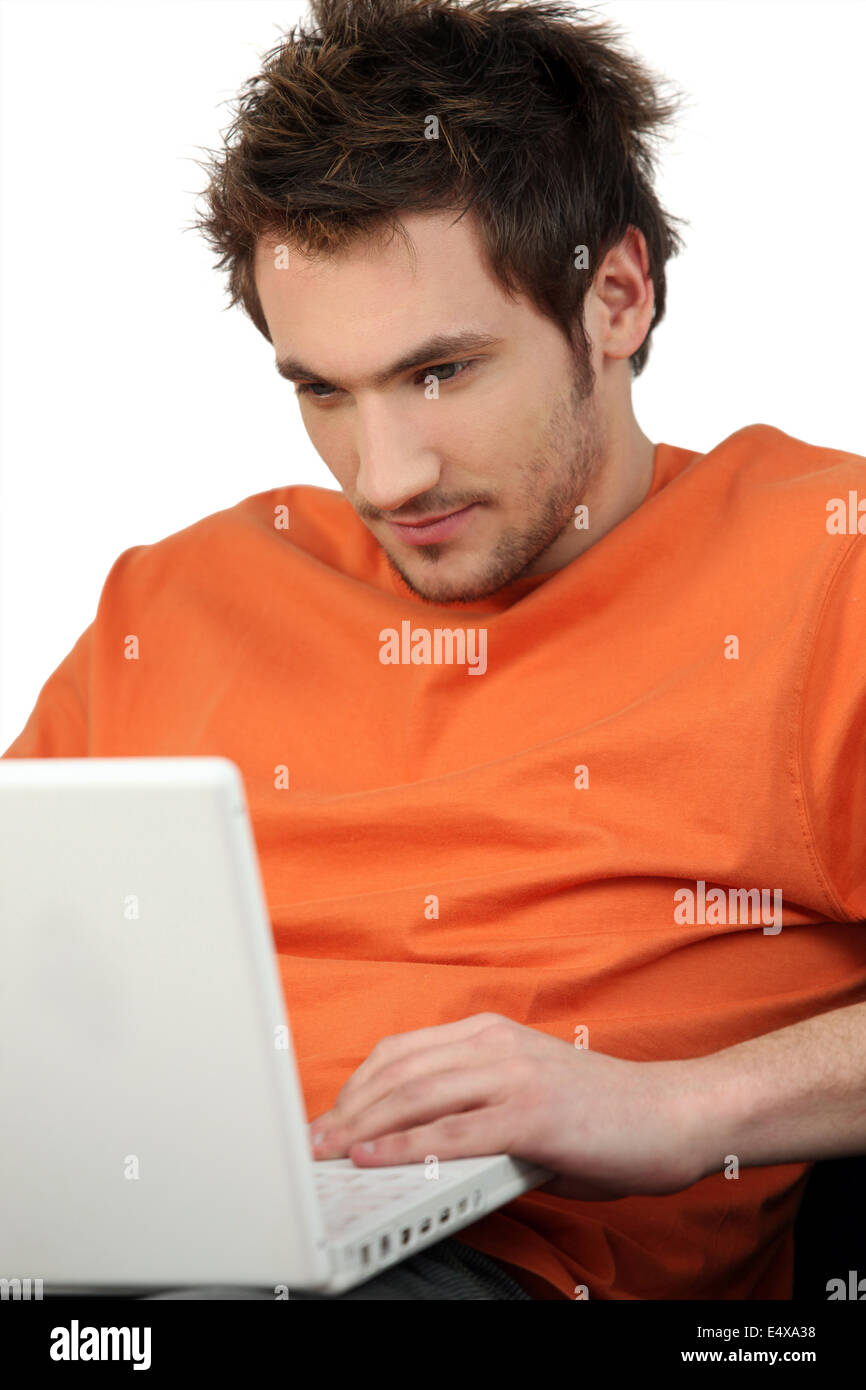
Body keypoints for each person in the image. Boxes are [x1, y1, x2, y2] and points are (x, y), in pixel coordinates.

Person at [5, 0, 865, 1301]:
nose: (383, 474)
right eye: (322, 392)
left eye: (442, 373)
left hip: (494, 1267)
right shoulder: (178, 595)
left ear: (615, 298)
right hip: (107, 1246)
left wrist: (674, 1104)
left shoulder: (825, 562)